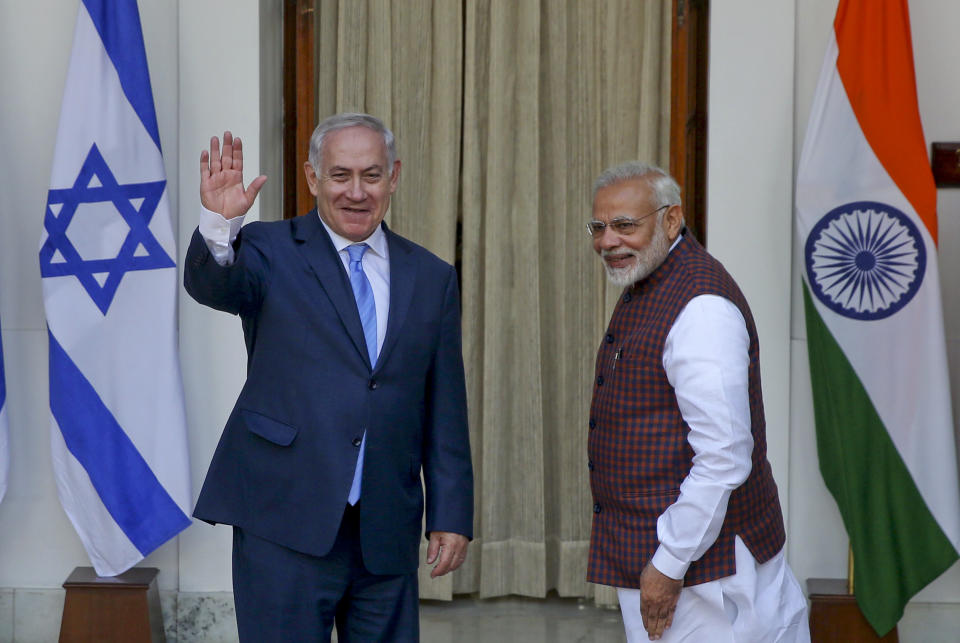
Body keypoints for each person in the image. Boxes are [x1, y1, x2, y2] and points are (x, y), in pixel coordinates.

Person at [184, 112, 473, 642]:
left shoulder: (432, 277)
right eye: (340, 175)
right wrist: (219, 227)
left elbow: (444, 405)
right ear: (314, 179)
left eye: (371, 175)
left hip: (385, 529)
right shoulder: (270, 250)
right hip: (283, 521)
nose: (356, 192)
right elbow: (214, 287)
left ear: (394, 176)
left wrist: (451, 513)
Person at [585, 161, 809, 642]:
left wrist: (668, 564)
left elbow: (724, 457)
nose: (608, 241)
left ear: (671, 220)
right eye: (599, 227)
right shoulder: (654, 280)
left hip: (704, 574)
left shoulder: (701, 308)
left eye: (625, 225)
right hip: (678, 560)